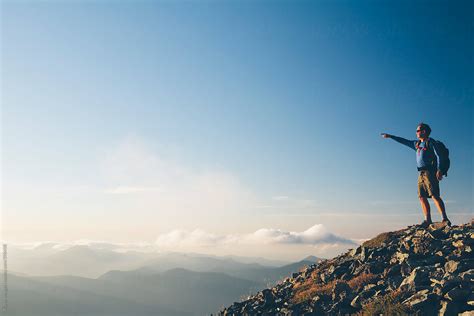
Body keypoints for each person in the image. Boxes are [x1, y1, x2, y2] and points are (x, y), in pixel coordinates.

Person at [381, 123, 451, 227]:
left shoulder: (431, 142)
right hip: (421, 173)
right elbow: (404, 141)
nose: (416, 133)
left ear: (424, 131)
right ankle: (428, 220)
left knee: (434, 195)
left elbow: (439, 156)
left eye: (418, 131)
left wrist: (440, 170)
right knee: (422, 196)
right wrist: (391, 136)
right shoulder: (417, 144)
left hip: (430, 172)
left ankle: (445, 219)